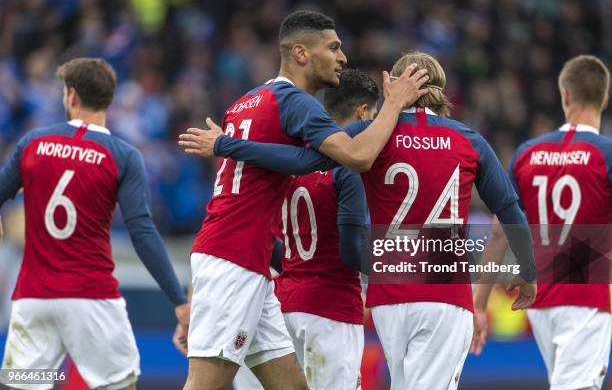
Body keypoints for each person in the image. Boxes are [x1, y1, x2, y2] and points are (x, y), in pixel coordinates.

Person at [191, 51, 537, 389]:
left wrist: (227, 144)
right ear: (441, 91)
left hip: (389, 295)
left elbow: (297, 160)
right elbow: (509, 212)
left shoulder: (368, 133)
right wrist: (529, 271)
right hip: (444, 288)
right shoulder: (468, 139)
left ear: (395, 87)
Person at [176, 10, 428, 389]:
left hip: (246, 262)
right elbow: (359, 156)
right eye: (333, 47)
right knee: (205, 384)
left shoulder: (246, 102)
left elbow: (287, 162)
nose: (342, 57)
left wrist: (232, 144)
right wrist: (394, 103)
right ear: (300, 53)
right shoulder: (296, 102)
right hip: (234, 260)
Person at [0, 58, 189, 390]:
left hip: (34, 298)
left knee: (22, 385)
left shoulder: (32, 143)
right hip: (92, 298)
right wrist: (178, 299)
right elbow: (142, 232)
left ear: (71, 96)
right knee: (119, 385)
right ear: (109, 99)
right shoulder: (123, 155)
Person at [472, 54, 611, 390]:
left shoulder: (527, 153)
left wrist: (478, 303)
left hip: (539, 299)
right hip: (586, 298)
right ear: (604, 98)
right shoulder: (605, 154)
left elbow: (498, 232)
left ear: (565, 94)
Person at [274, 68, 377, 389]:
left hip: (285, 306)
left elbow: (272, 241)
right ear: (363, 112)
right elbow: (351, 250)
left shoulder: (292, 159)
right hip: (331, 307)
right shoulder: (347, 163)